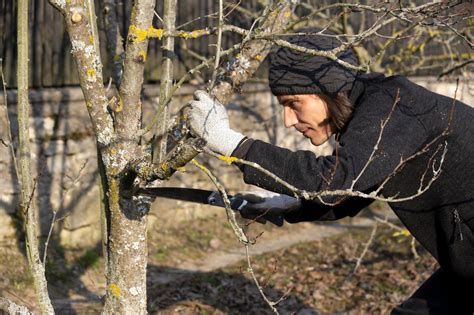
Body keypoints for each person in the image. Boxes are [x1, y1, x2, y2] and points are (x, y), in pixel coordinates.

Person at [188, 30, 474, 314]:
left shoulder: (396, 109)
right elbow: (353, 190)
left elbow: (334, 180)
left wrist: (233, 145)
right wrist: (291, 204)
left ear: (329, 89)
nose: (288, 121)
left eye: (293, 104)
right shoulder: (380, 108)